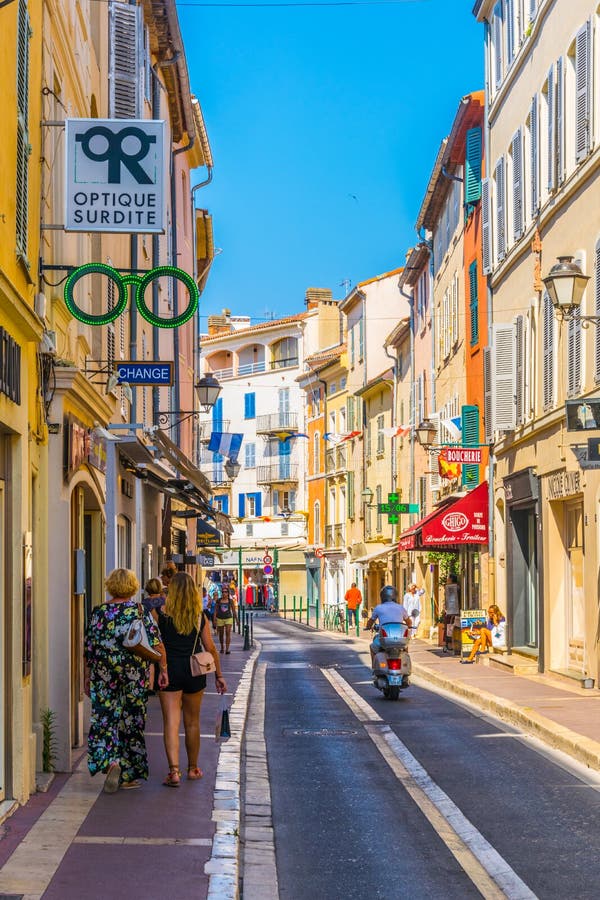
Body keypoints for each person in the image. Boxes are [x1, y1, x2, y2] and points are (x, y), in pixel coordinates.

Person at [84, 568, 168, 793]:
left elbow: (89, 648)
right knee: (131, 722)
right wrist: (163, 670)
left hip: (103, 675)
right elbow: (156, 643)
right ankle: (128, 774)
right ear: (132, 587)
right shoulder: (139, 611)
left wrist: (85, 677)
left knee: (104, 719)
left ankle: (111, 762)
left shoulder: (99, 612)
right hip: (134, 676)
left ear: (110, 585)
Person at [155, 572, 227, 785]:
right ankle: (193, 768)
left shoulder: (160, 613)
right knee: (192, 722)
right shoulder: (199, 615)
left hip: (169, 669)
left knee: (171, 722)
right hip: (195, 670)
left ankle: (174, 771)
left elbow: (155, 644)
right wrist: (219, 676)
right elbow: (210, 648)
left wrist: (160, 668)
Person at [366, 584, 412, 668]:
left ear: (382, 596)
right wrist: (409, 625)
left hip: (384, 640)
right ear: (395, 596)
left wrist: (368, 626)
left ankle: (374, 668)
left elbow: (370, 622)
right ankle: (406, 666)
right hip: (399, 640)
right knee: (405, 647)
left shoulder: (378, 608)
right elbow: (409, 622)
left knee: (372, 648)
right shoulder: (401, 608)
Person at [214, 583, 238, 654]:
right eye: (223, 592)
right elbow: (215, 610)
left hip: (228, 618)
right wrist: (214, 619)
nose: (224, 593)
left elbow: (233, 611)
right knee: (221, 634)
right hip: (220, 618)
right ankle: (222, 647)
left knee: (228, 632)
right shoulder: (218, 601)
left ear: (228, 593)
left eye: (226, 592)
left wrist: (237, 620)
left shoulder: (230, 601)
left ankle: (227, 649)